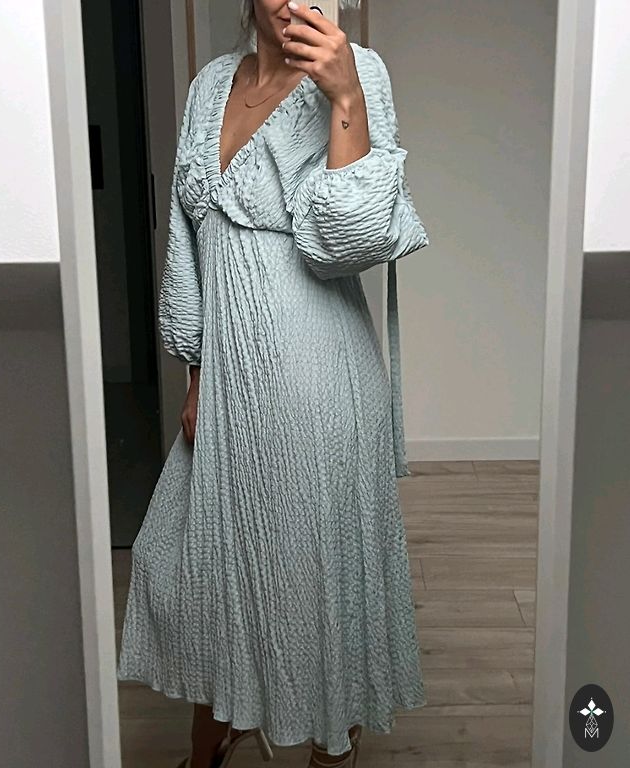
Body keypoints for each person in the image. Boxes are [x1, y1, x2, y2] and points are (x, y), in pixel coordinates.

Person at [116, 2, 429, 766]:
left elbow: (348, 244)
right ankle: (217, 734)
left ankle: (330, 748)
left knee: (316, 578)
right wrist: (196, 373)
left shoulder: (359, 73)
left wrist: (345, 97)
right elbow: (186, 242)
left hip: (316, 380)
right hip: (228, 379)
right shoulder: (209, 85)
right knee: (201, 569)